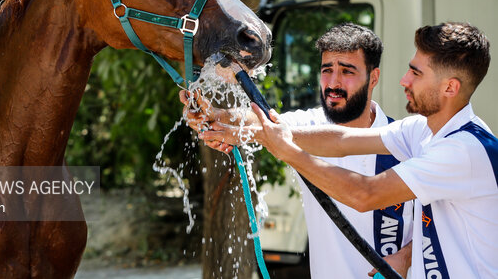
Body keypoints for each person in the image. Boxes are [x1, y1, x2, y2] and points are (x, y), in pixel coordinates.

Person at [203, 22, 498, 278]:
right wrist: (229, 122)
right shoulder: (422, 130)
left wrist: (288, 152)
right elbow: (342, 140)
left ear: (449, 88)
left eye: (416, 74)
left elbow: (365, 194)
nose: (404, 81)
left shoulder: (464, 150)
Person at [181, 23, 414, 278]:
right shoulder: (311, 124)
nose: (333, 83)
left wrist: (405, 257)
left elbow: (440, 222)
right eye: (327, 70)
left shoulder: (403, 141)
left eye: (347, 71)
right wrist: (216, 115)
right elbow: (259, 122)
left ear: (374, 78)